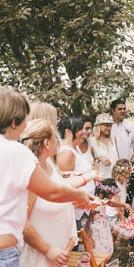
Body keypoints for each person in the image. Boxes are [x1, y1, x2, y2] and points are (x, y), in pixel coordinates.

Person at [0, 87, 89, 266]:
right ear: (14, 122)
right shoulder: (16, 152)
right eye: (25, 119)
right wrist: (80, 196)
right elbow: (52, 192)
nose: (27, 126)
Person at [20, 119, 96, 267]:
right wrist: (48, 250)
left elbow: (59, 190)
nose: (59, 140)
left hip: (60, 255)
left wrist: (82, 198)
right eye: (56, 137)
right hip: (39, 258)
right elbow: (22, 222)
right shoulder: (32, 175)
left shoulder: (49, 165)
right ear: (47, 144)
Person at [57, 117, 96, 230]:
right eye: (79, 129)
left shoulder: (75, 150)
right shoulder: (66, 153)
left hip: (83, 209)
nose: (83, 133)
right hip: (73, 212)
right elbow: (64, 184)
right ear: (68, 132)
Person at [90, 113, 119, 179]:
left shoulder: (113, 140)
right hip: (101, 178)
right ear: (99, 126)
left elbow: (117, 158)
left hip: (115, 177)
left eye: (110, 126)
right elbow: (89, 160)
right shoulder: (92, 141)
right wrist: (99, 158)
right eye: (106, 125)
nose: (109, 128)